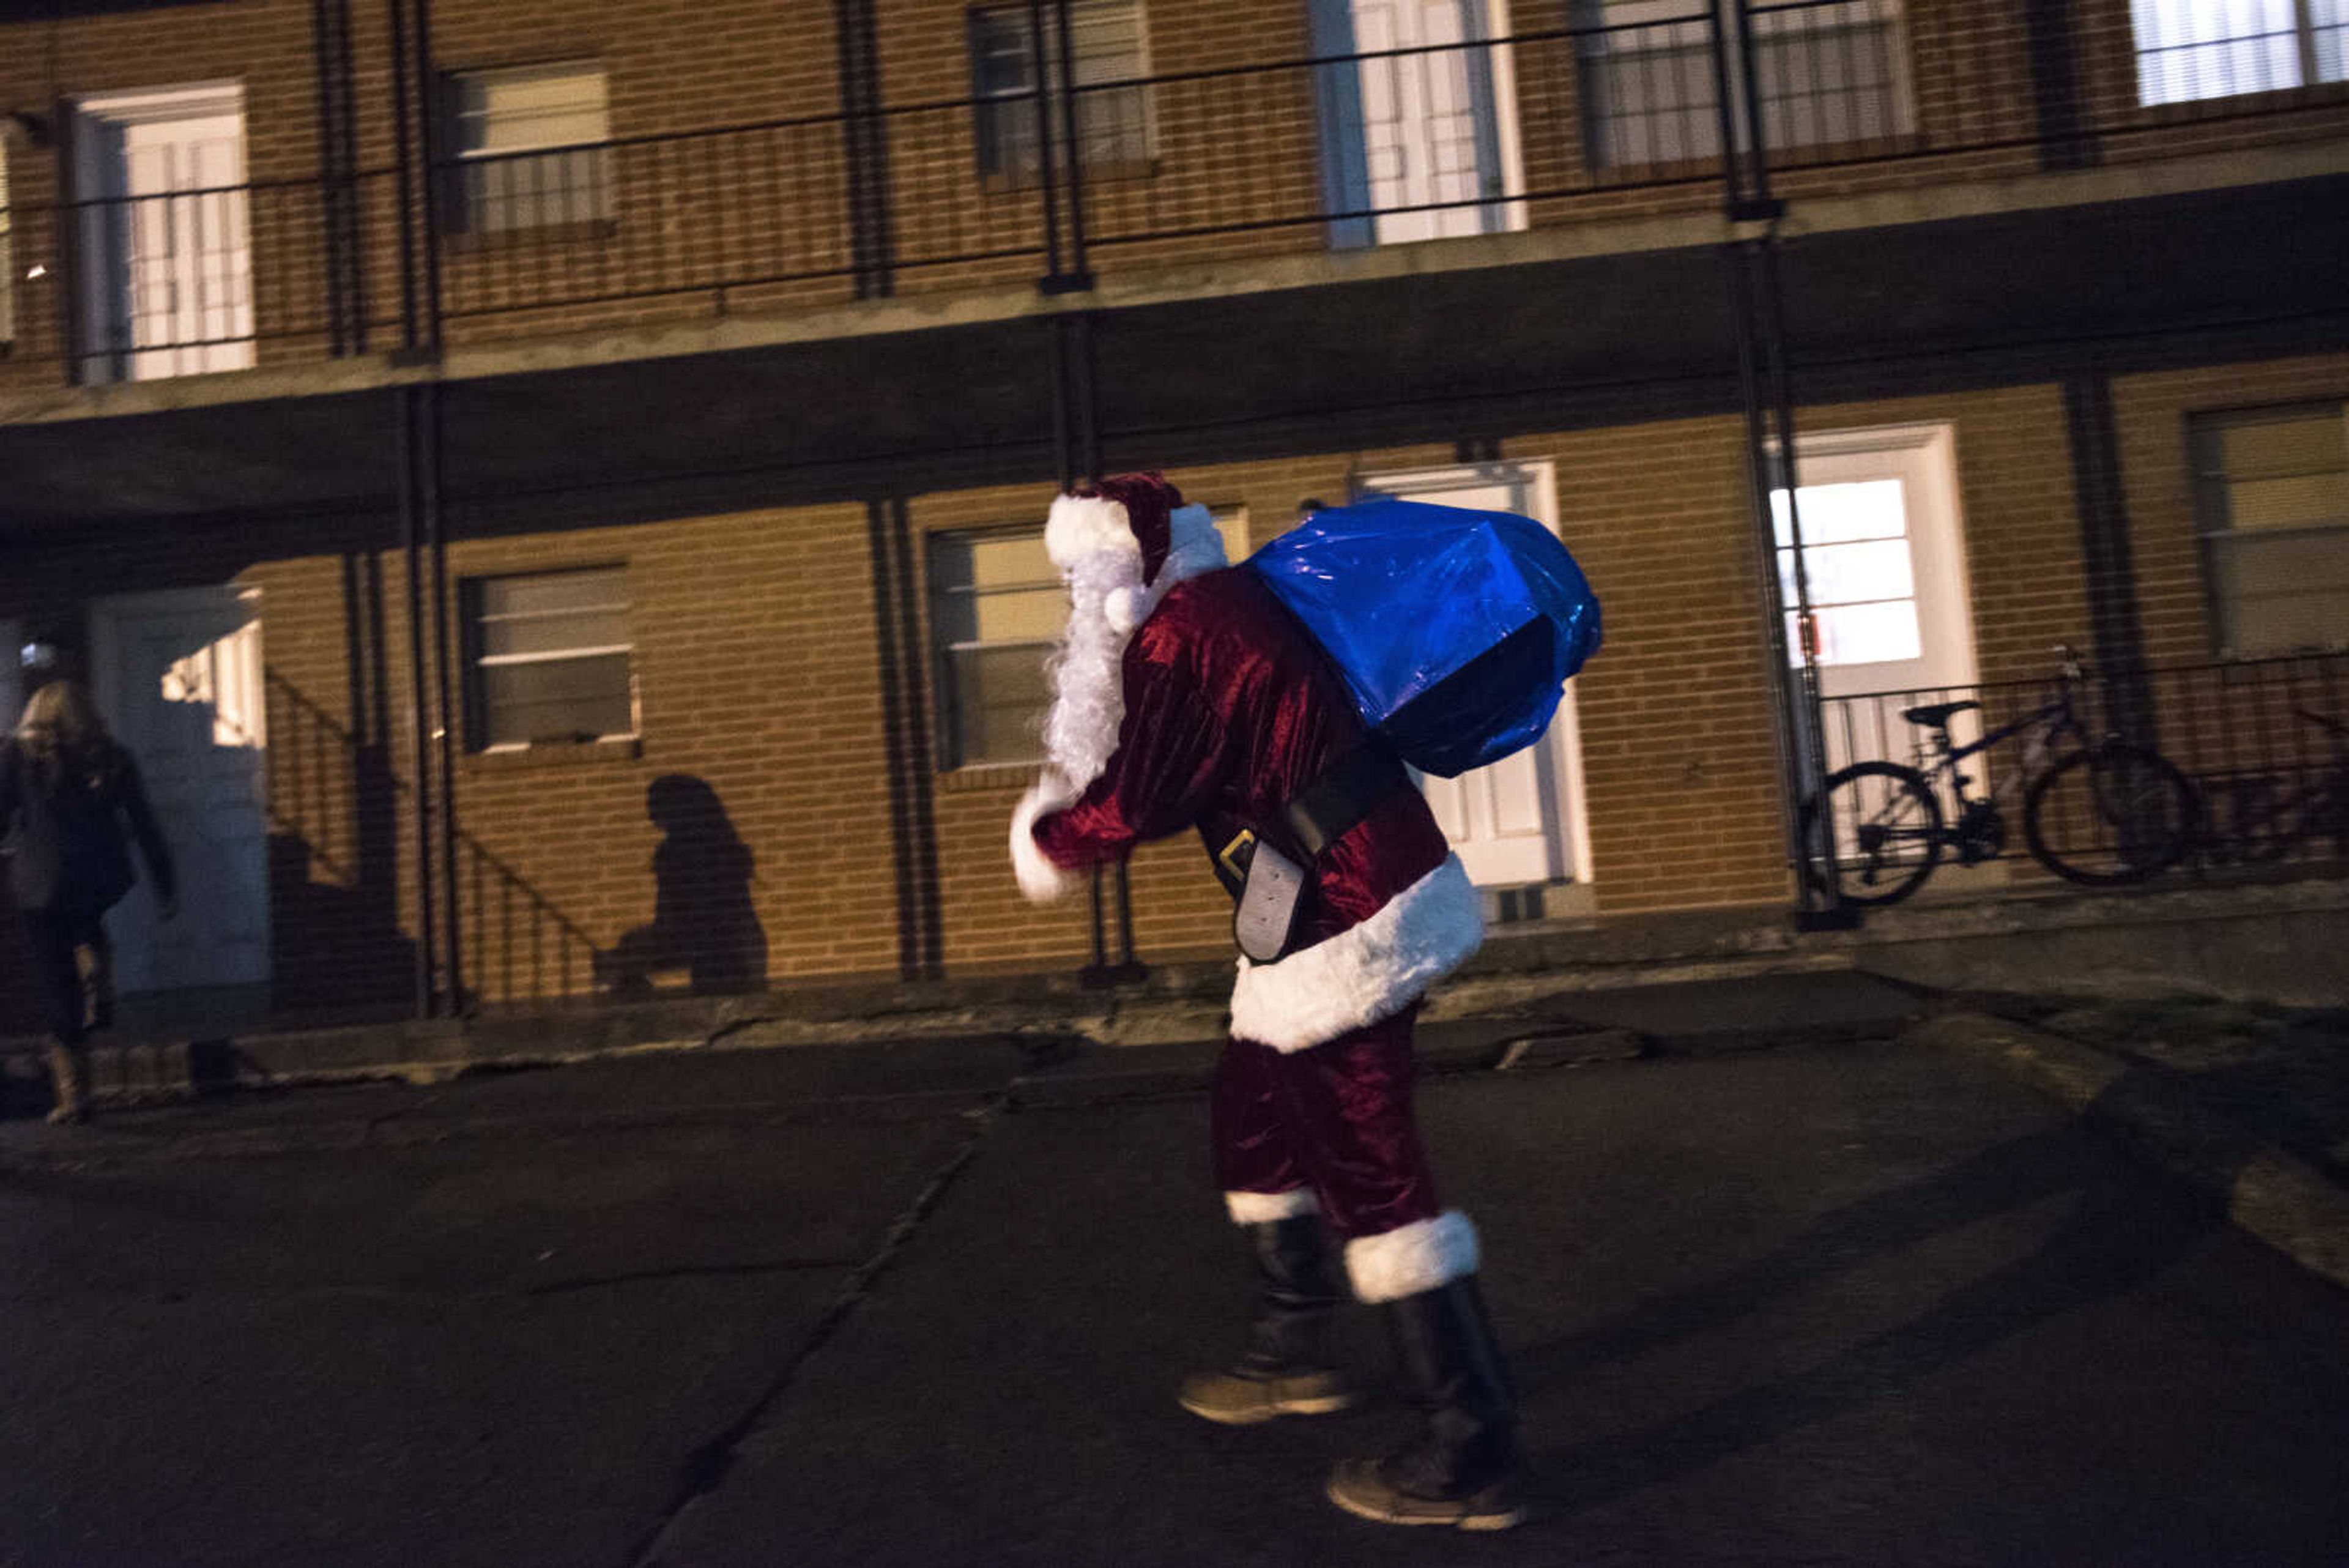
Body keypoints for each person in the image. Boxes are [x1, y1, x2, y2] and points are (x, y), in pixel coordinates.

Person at [1008, 472, 1526, 1530]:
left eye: (1079, 571)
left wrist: (1048, 838)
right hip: (1315, 901)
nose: (1074, 592)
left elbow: (1146, 795)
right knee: (1254, 1108)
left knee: (1371, 1164)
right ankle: (1293, 1343)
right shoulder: (1229, 605)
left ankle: (1469, 1447)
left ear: (1122, 564)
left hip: (1353, 909)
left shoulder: (1180, 635)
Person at [1, 678, 177, 1124]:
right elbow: (143, 821)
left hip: (40, 881)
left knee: (53, 980)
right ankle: (96, 964)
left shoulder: (17, 756)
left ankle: (76, 1096)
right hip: (97, 874)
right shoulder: (111, 756)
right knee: (85, 919)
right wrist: (166, 884)